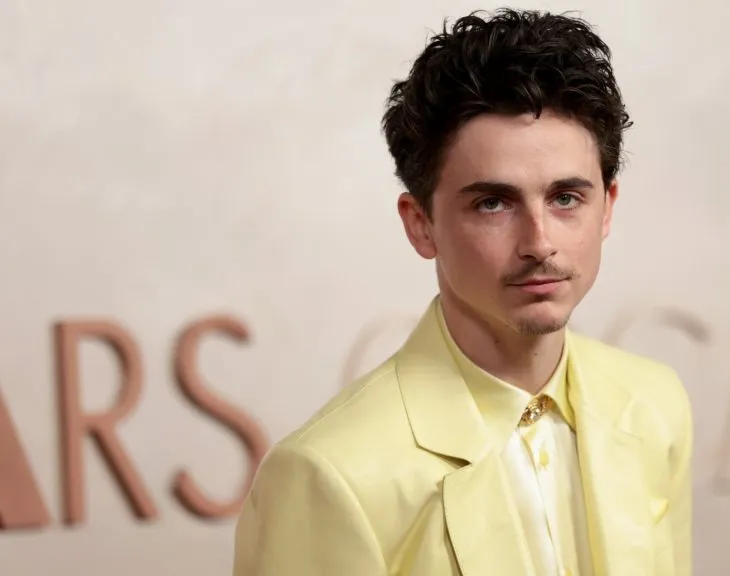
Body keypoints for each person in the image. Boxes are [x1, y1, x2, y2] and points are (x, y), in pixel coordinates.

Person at [232, 8, 693, 576]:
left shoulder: (654, 405)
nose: (539, 242)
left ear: (608, 208)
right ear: (419, 223)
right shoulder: (327, 473)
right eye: (492, 203)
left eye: (566, 198)